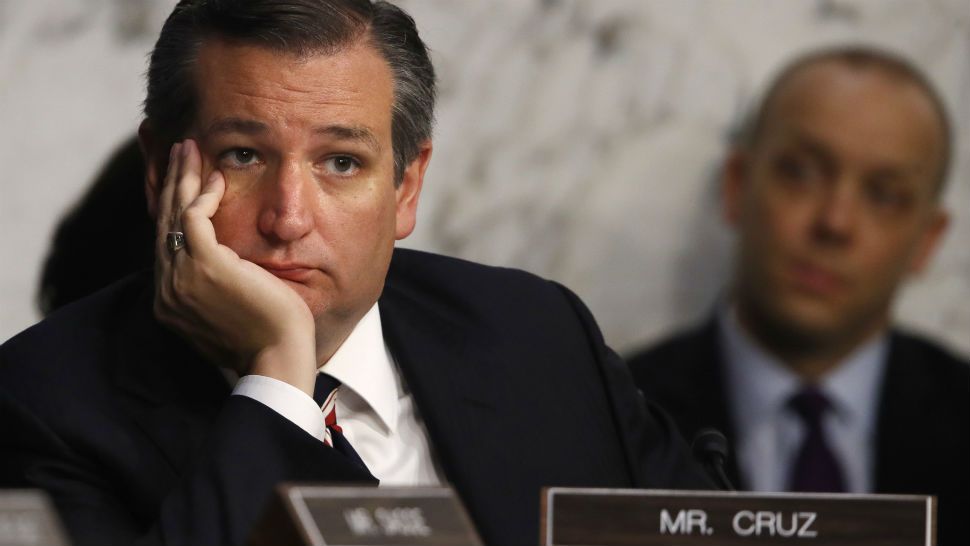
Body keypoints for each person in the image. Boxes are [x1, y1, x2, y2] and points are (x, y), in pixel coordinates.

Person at [0, 1, 709, 545]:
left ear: (406, 187)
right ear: (162, 172)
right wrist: (279, 376)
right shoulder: (43, 404)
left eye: (340, 163)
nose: (289, 218)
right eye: (244, 155)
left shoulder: (538, 335)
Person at [627, 46, 968, 545]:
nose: (835, 222)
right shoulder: (619, 413)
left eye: (883, 194)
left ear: (927, 240)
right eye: (800, 172)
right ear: (737, 184)